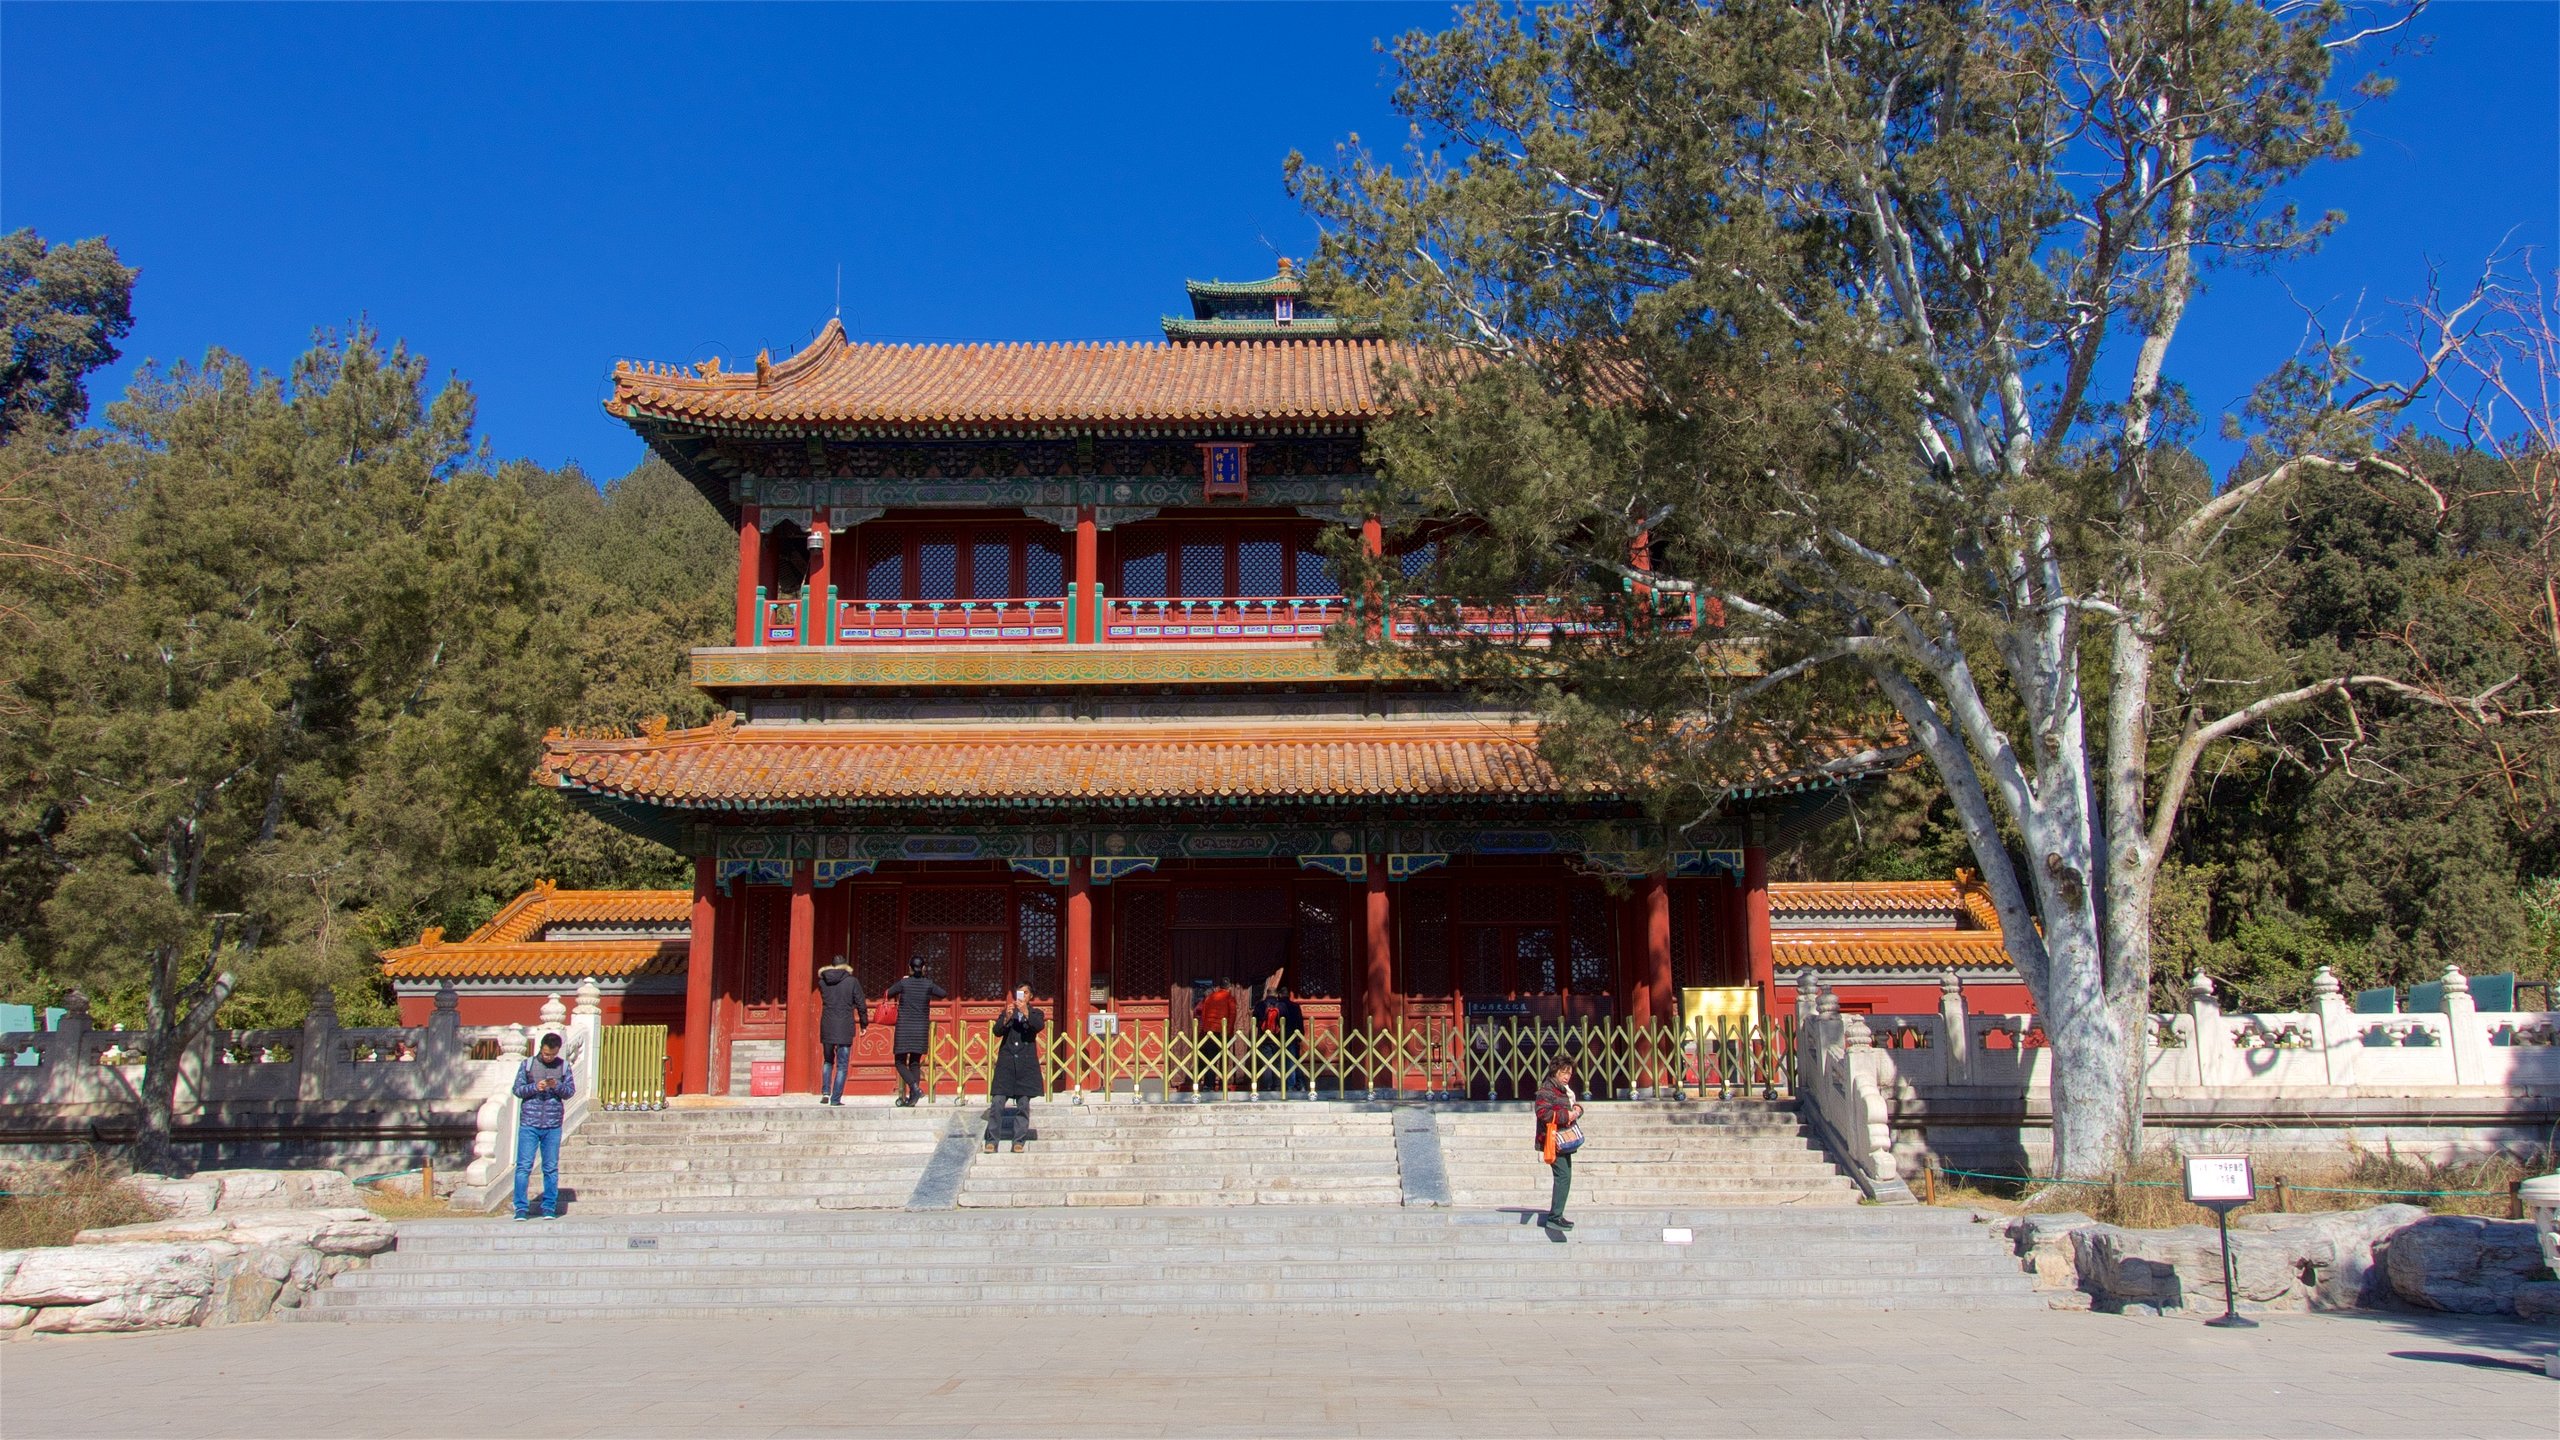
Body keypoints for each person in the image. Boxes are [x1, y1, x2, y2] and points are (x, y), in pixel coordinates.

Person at [512, 1032, 575, 1221]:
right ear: (541, 1048)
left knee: (550, 1167)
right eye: (546, 1053)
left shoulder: (564, 1066)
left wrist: (556, 1086)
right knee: (523, 1166)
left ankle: (549, 1206)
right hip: (529, 1123)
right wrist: (534, 1088)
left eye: (552, 1054)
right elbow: (517, 1090)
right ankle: (521, 1208)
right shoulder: (528, 1065)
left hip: (553, 1124)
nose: (548, 1057)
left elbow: (570, 1092)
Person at [877, 957, 946, 1106]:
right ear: (924, 967)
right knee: (915, 1062)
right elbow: (943, 993)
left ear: (909, 967)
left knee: (900, 1061)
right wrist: (926, 983)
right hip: (920, 1028)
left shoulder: (904, 983)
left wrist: (905, 981)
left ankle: (915, 1089)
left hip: (904, 1027)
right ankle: (913, 1097)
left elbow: (888, 992)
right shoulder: (928, 984)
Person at [987, 985, 1046, 1153]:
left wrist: (1025, 1011)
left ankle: (1018, 1141)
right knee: (997, 1102)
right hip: (1007, 1062)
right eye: (1020, 993)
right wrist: (1006, 1017)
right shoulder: (1008, 1012)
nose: (1022, 996)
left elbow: (1038, 1026)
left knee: (1023, 1104)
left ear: (1030, 996)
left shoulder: (1036, 1013)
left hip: (1025, 1063)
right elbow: (997, 1031)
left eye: (1026, 993)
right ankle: (992, 1141)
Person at [1534, 1058, 1584, 1234]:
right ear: (1555, 1071)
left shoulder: (1564, 1090)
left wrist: (1577, 1110)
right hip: (1553, 1139)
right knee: (1563, 1175)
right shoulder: (1546, 1090)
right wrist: (1567, 1115)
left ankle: (1557, 1215)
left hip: (1563, 1140)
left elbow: (1573, 1105)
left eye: (1569, 1073)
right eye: (1564, 1072)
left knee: (1566, 1175)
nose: (1567, 1076)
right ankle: (1555, 1217)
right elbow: (1543, 1112)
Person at [816, 954, 870, 1106]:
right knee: (842, 1065)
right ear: (846, 965)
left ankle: (826, 1093)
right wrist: (864, 1024)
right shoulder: (852, 981)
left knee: (827, 1061)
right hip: (845, 1025)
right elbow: (860, 1003)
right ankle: (835, 1098)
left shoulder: (822, 982)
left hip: (827, 1025)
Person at [1194, 982, 1237, 1092]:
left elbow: (1203, 1015)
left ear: (1219, 987)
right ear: (1229, 987)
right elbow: (1232, 1016)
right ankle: (1223, 1085)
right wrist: (1229, 1032)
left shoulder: (1209, 998)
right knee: (1223, 1060)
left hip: (1209, 1031)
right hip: (1222, 1032)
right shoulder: (1229, 998)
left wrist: (1205, 1029)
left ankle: (1209, 1085)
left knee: (1210, 1059)